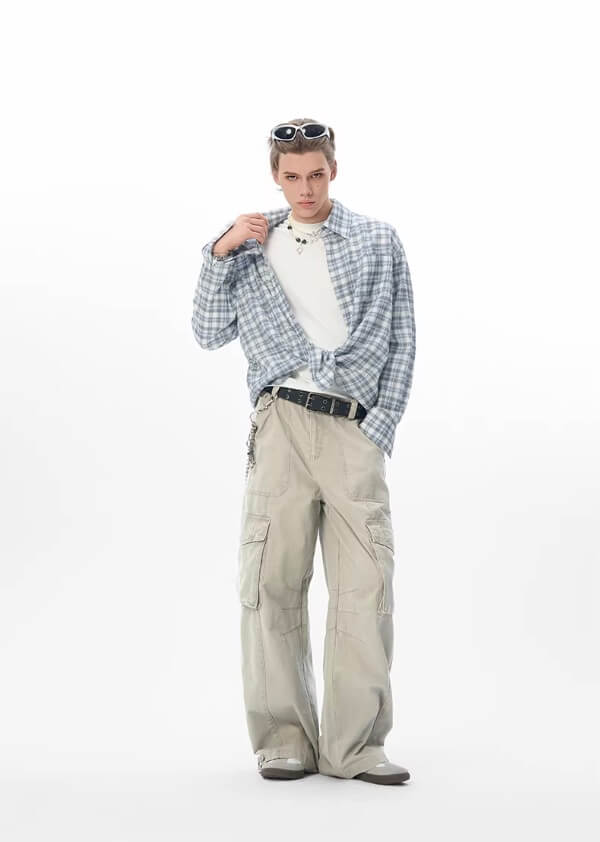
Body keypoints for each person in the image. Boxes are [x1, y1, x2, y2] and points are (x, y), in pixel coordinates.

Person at [191, 119, 416, 785]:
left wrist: (379, 427)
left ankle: (356, 747)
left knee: (365, 585)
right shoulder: (250, 243)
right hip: (282, 422)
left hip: (352, 427)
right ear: (276, 177)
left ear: (333, 170)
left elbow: (403, 339)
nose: (306, 188)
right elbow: (207, 331)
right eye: (292, 176)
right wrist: (219, 251)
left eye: (316, 174)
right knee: (272, 580)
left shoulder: (377, 239)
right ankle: (284, 740)